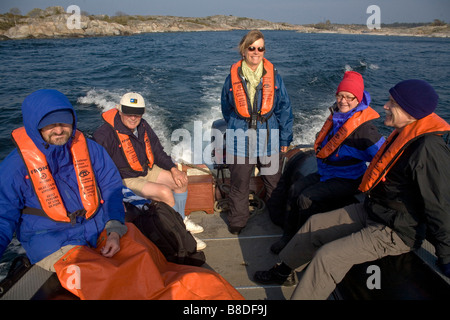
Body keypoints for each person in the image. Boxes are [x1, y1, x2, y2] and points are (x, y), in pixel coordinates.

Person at [0, 89, 243, 300]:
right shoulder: (15, 168)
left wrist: (115, 228)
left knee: (146, 257)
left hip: (100, 230)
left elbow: (110, 186)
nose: (59, 130)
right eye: (50, 124)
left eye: (64, 122)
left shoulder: (88, 148)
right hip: (55, 243)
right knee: (110, 281)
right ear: (34, 125)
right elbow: (3, 218)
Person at [253, 79, 450, 299]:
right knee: (314, 225)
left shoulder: (428, 150)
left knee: (327, 257)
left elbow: (440, 205)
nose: (385, 106)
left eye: (392, 102)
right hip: (373, 211)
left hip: (395, 230)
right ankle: (282, 271)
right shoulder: (404, 134)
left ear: (410, 111)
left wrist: (446, 255)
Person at [269, 71, 385, 253]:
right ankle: (288, 236)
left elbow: (385, 156)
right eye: (340, 96)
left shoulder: (365, 130)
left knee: (306, 198)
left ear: (358, 99)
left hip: (348, 179)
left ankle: (299, 247)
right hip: (327, 173)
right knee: (294, 189)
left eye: (349, 97)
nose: (343, 101)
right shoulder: (337, 117)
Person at [93, 92, 205, 249]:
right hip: (125, 178)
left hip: (146, 170)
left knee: (180, 181)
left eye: (138, 114)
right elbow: (99, 168)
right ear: (120, 111)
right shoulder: (104, 135)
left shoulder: (143, 126)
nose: (133, 118)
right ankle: (179, 234)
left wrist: (174, 169)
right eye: (129, 113)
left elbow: (158, 152)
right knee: (165, 192)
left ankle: (181, 220)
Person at [221, 30, 293, 235]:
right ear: (243, 51)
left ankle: (278, 218)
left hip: (268, 136)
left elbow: (284, 109)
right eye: (251, 48)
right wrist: (238, 124)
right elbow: (226, 108)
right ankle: (237, 221)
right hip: (240, 137)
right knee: (240, 182)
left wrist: (285, 138)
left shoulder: (275, 77)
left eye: (260, 48)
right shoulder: (231, 78)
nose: (256, 52)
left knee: (273, 181)